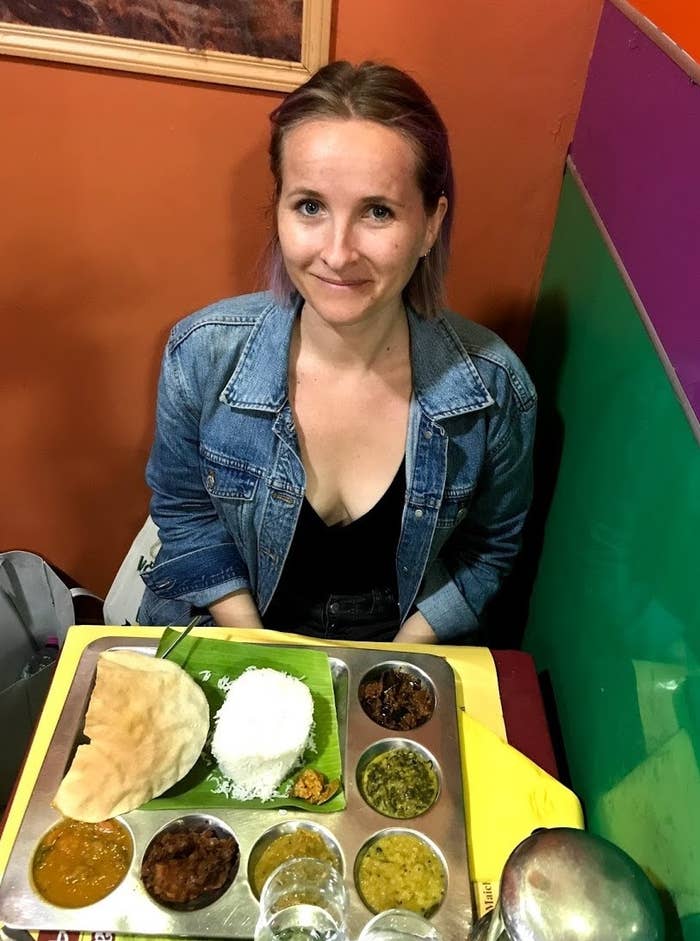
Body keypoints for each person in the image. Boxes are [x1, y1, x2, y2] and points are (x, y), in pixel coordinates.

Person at [138, 60, 536, 645]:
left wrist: (394, 666)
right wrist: (265, 655)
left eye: (378, 211)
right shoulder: (201, 353)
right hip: (230, 631)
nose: (339, 252)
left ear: (430, 225)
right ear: (278, 211)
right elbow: (185, 513)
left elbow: (489, 550)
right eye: (310, 207)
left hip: (395, 647)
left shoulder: (493, 391)